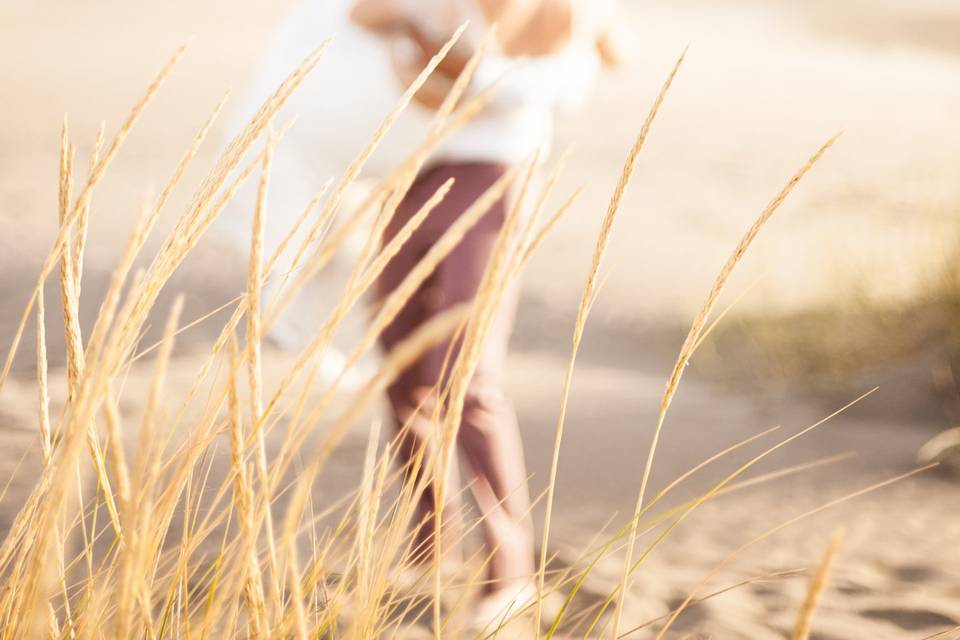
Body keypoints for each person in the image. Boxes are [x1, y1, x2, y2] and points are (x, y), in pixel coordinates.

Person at [350, 0, 622, 626]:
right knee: (400, 362)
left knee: (467, 376)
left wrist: (464, 55)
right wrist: (426, 27)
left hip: (494, 174)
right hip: (411, 169)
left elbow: (563, 84)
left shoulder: (562, 11)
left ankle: (510, 573)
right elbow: (361, 15)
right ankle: (431, 542)